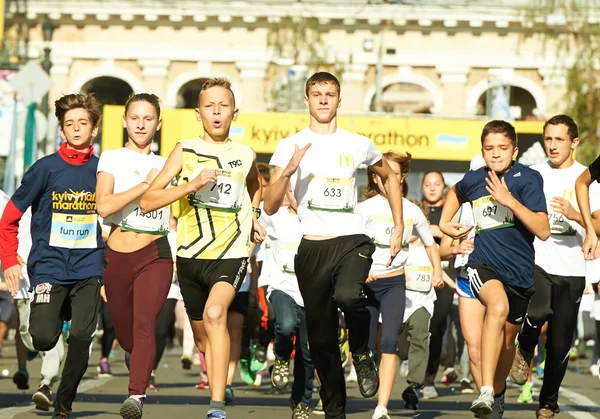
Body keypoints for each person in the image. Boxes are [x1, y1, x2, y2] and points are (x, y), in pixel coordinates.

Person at [264, 71, 404, 419]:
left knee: (348, 295)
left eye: (330, 93)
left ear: (340, 100)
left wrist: (399, 223)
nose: (324, 99)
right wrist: (288, 171)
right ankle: (334, 412)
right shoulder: (289, 145)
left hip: (351, 241)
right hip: (312, 249)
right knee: (321, 342)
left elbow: (389, 176)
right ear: (307, 100)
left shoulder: (358, 143)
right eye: (317, 93)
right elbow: (268, 204)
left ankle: (360, 351)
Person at [140, 77, 264, 419]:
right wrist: (192, 185)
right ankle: (220, 375)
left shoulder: (244, 154)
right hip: (191, 256)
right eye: (209, 106)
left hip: (232, 251)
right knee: (204, 337)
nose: (217, 112)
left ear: (234, 113)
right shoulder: (185, 150)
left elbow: (256, 185)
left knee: (215, 315)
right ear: (198, 113)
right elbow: (150, 199)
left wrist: (254, 216)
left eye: (223, 106)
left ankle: (217, 404)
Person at [0, 93, 105, 419]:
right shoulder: (44, 169)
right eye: (69, 124)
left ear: (94, 129)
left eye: (82, 123)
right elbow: (8, 218)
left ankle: (63, 402)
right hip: (49, 267)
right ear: (61, 130)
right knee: (44, 338)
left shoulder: (104, 171)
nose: (76, 129)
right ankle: (52, 312)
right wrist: (9, 261)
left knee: (81, 336)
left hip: (89, 266)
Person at [439, 120, 549, 417]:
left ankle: (496, 392)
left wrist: (509, 201)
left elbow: (543, 230)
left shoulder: (528, 178)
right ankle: (485, 390)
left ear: (514, 150)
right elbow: (456, 191)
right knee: (497, 306)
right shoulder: (476, 179)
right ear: (482, 151)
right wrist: (444, 222)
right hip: (482, 266)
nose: (496, 154)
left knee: (506, 346)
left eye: (502, 148)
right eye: (489, 149)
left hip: (520, 276)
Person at [96, 93, 174, 419]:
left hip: (156, 252)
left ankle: (136, 396)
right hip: (118, 254)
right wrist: (145, 186)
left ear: (158, 124)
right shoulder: (111, 158)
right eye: (135, 118)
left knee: (145, 324)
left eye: (148, 118)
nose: (141, 124)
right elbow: (104, 206)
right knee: (125, 331)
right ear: (124, 121)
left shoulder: (168, 163)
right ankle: (132, 352)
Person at [510, 115, 587, 419]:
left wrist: (574, 214)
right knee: (538, 311)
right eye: (548, 139)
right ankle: (525, 347)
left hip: (573, 270)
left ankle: (548, 403)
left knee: (559, 346)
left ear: (574, 142)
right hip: (538, 261)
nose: (552, 146)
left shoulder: (586, 179)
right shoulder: (533, 174)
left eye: (559, 139)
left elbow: (596, 223)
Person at [357, 152, 443, 419]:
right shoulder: (364, 208)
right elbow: (350, 245)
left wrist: (438, 269)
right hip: (367, 285)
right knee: (367, 346)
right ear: (374, 177)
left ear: (402, 178)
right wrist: (362, 271)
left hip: (394, 283)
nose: (386, 179)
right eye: (381, 174)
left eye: (392, 174)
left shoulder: (413, 210)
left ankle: (381, 407)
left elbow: (430, 243)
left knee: (390, 342)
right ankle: (364, 368)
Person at [262, 187, 314, 419]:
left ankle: (302, 402)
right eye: (292, 190)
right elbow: (251, 214)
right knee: (285, 323)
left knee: (308, 353)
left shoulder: (318, 220)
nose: (295, 196)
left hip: (312, 294)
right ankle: (282, 357)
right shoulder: (275, 217)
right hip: (282, 286)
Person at [420, 171, 457, 399]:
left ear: (444, 187)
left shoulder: (450, 213)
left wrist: (438, 232)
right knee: (413, 328)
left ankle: (428, 379)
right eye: (427, 184)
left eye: (437, 184)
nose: (432, 188)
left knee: (435, 328)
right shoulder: (415, 210)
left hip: (443, 277)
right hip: (415, 276)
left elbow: (455, 242)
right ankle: (410, 361)